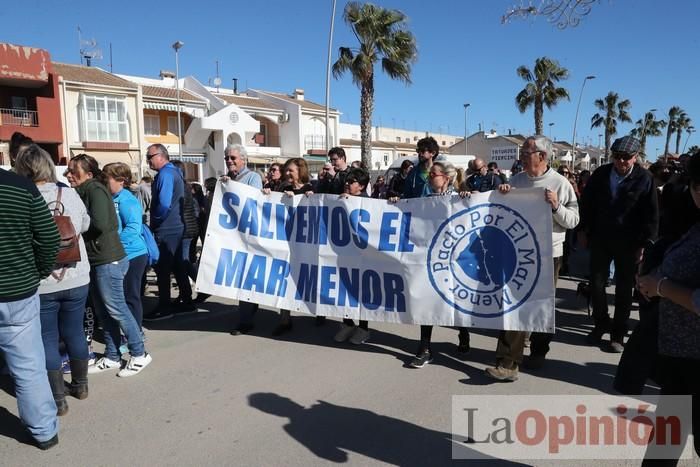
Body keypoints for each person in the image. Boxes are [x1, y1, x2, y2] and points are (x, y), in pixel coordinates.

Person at [484, 136, 579, 381]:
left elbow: (574, 220)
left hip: (549, 254)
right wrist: (503, 193)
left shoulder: (561, 183)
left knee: (541, 306)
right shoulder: (516, 180)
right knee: (513, 304)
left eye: (526, 153)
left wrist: (557, 206)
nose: (521, 157)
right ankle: (508, 363)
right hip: (519, 253)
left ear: (542, 156)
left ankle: (538, 350)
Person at [15, 145, 91, 416]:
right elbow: (84, 224)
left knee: (47, 338)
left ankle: (58, 400)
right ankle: (80, 385)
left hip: (43, 280)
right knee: (74, 331)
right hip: (77, 276)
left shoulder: (22, 196)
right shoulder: (69, 194)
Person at [636, 152, 700, 465]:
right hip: (680, 356)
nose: (699, 192)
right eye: (697, 184)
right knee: (664, 445)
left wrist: (660, 286)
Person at [67, 154, 152, 377]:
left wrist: (77, 225)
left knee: (118, 308)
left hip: (110, 259)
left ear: (88, 174)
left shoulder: (96, 191)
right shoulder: (85, 192)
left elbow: (105, 224)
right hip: (97, 260)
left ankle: (139, 352)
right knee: (104, 312)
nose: (69, 175)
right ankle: (113, 356)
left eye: (73, 171)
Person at [0, 158, 60, 449]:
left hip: (18, 291)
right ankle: (44, 431)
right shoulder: (20, 186)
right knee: (28, 369)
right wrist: (37, 272)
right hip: (18, 294)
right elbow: (50, 237)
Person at [578, 135, 659, 352]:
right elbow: (587, 203)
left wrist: (645, 244)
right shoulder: (601, 174)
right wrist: (583, 230)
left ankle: (618, 332)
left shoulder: (645, 178)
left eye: (626, 157)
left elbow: (651, 214)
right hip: (601, 238)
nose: (621, 162)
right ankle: (601, 323)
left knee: (624, 289)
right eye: (617, 157)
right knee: (596, 284)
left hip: (629, 242)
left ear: (636, 157)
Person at [398, 138, 469, 368]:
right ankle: (425, 348)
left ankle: (464, 331)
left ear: (446, 178)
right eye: (429, 175)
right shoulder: (425, 200)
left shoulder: (461, 198)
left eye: (434, 175)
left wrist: (469, 197)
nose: (430, 178)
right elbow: (410, 208)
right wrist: (397, 203)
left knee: (455, 299)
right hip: (429, 257)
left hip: (454, 258)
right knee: (428, 299)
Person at [261, 158, 314, 336]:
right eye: (286, 171)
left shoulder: (311, 189)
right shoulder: (283, 188)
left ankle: (319, 311)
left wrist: (304, 198)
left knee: (309, 276)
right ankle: (285, 319)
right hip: (285, 241)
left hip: (306, 242)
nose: (287, 174)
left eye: (291, 171)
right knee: (285, 278)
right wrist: (267, 193)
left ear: (301, 171)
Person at [222, 144, 264, 335]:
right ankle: (248, 309)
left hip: (249, 235)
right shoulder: (227, 179)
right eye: (227, 158)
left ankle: (245, 319)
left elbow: (253, 201)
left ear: (243, 160)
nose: (229, 161)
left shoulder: (253, 177)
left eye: (233, 158)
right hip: (232, 235)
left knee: (246, 276)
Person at [143, 144, 189, 321]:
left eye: (150, 156)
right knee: (177, 265)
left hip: (167, 228)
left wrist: (156, 218)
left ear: (161, 155)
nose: (148, 161)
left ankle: (164, 307)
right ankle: (186, 301)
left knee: (163, 269)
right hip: (176, 226)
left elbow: (163, 203)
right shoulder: (175, 172)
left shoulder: (165, 174)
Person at [102, 163, 149, 333]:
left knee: (131, 296)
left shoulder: (127, 200)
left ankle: (136, 331)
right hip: (118, 255)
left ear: (121, 180)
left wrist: (113, 243)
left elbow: (133, 229)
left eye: (107, 179)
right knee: (120, 296)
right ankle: (127, 330)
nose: (104, 183)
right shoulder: (110, 198)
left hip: (133, 255)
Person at [333, 168, 374, 345]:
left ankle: (363, 328)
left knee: (361, 292)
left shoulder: (371, 204)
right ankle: (347, 324)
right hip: (343, 254)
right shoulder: (340, 200)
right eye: (347, 181)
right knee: (343, 289)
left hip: (363, 256)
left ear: (362, 186)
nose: (348, 183)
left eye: (353, 181)